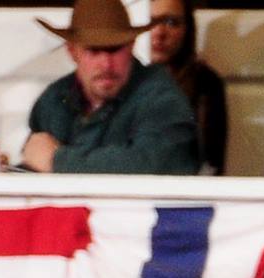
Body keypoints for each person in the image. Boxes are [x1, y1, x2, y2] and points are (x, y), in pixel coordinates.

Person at [23, 0, 199, 176]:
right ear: (72, 51)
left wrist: (59, 160)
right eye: (94, 51)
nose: (106, 64)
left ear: (131, 45)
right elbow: (35, 163)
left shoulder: (161, 97)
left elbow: (159, 164)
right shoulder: (53, 99)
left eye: (114, 49)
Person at [147, 0, 225, 175]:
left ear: (187, 29)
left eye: (171, 23)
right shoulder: (117, 78)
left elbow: (213, 164)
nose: (159, 32)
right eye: (150, 22)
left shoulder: (206, 83)